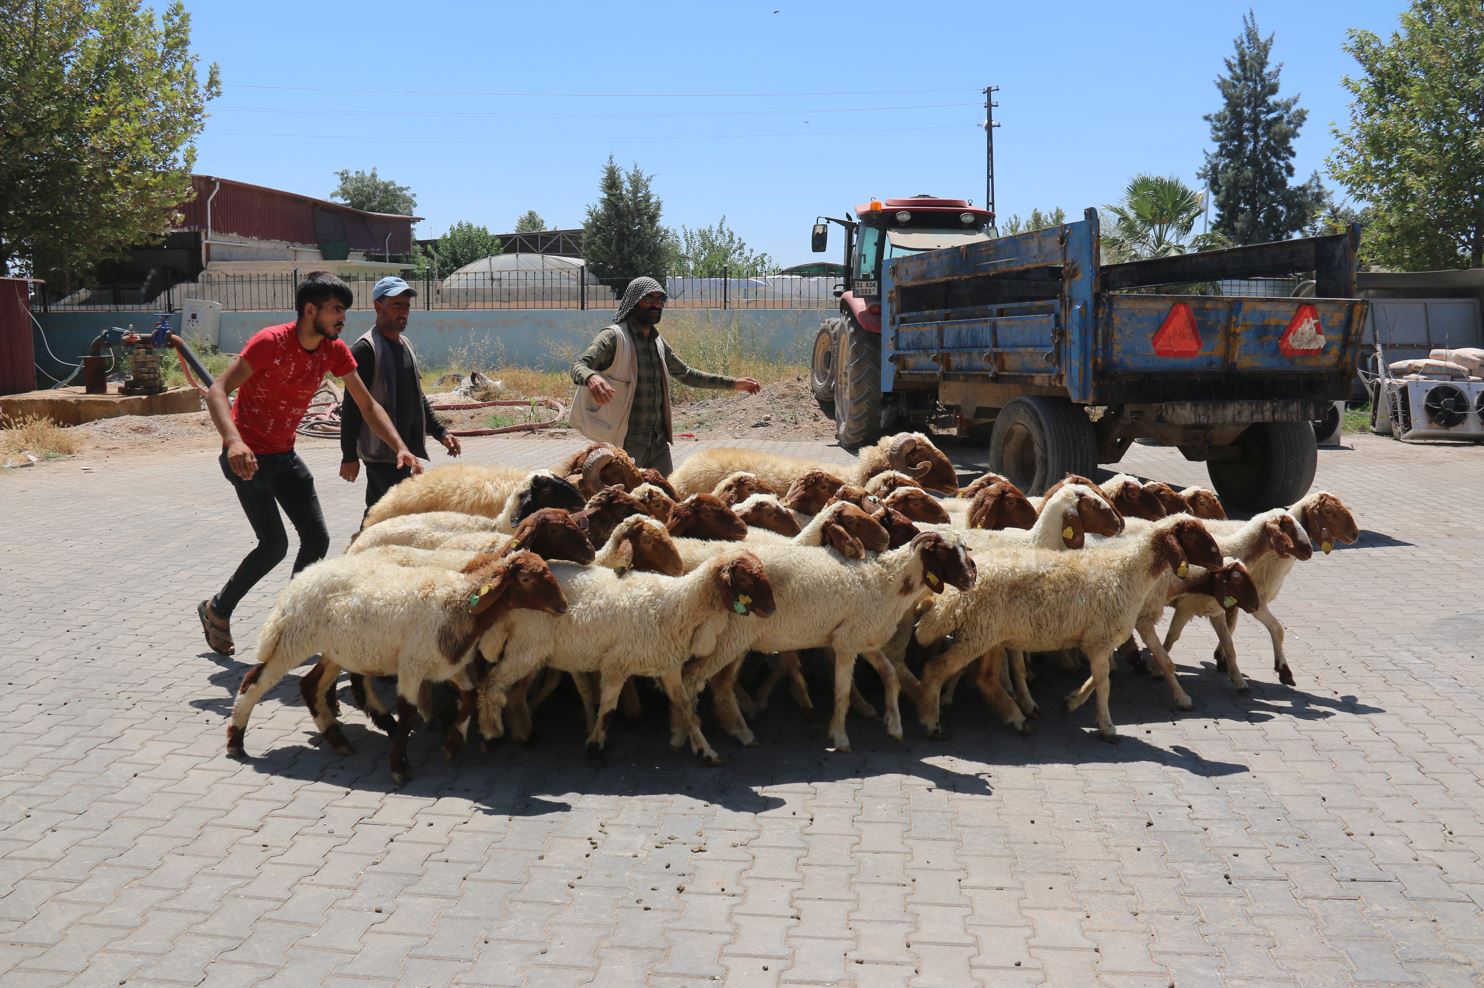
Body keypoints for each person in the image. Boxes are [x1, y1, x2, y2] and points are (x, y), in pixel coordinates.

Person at [198, 271, 421, 656]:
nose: (342, 319)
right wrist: (233, 441)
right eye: (336, 310)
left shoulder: (335, 351)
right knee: (273, 545)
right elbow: (217, 391)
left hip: (284, 456)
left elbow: (367, 404)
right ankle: (217, 609)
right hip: (247, 458)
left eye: (345, 311)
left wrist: (400, 446)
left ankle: (292, 622)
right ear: (310, 309)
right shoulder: (270, 343)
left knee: (316, 539)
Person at [570, 276, 761, 473]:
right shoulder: (614, 338)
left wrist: (734, 384)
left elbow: (687, 374)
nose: (656, 305)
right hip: (626, 442)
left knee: (665, 498)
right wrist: (591, 377)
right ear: (634, 302)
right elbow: (579, 364)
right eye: (649, 298)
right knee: (626, 498)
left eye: (660, 299)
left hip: (658, 442)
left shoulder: (658, 343)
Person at [339, 276, 461, 515]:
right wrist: (349, 455)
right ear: (377, 307)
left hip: (405, 450)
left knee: (387, 513)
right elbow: (352, 407)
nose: (403, 312)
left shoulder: (405, 345)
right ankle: (361, 547)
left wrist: (440, 432)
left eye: (406, 306)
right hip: (381, 453)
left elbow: (418, 397)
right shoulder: (365, 349)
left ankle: (363, 546)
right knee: (387, 513)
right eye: (397, 305)